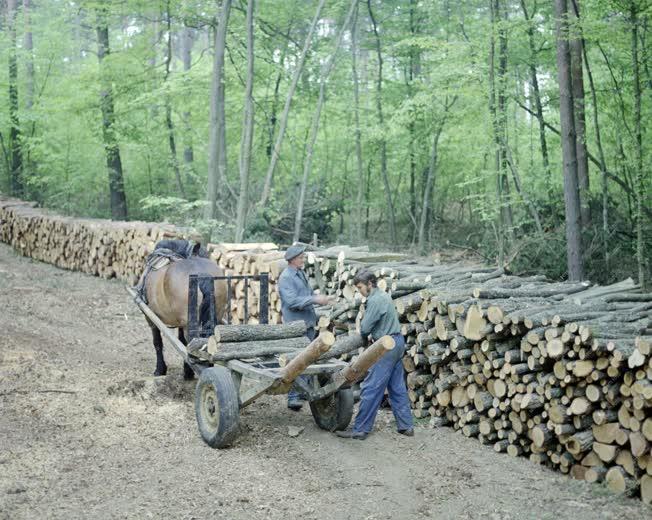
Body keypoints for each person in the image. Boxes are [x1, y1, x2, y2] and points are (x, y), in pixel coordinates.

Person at [336, 269, 414, 440]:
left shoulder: (375, 300)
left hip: (385, 346)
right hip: (397, 342)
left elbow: (364, 329)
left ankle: (360, 430)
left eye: (360, 287)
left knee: (371, 387)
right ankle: (406, 426)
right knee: (397, 387)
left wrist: (364, 332)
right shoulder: (384, 295)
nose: (359, 291)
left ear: (369, 284)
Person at [278, 244, 333, 410]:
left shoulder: (300, 273)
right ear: (293, 259)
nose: (303, 260)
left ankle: (303, 392)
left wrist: (319, 298)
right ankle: (293, 397)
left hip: (307, 323)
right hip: (295, 325)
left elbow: (307, 295)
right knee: (297, 359)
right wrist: (315, 300)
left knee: (308, 358)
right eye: (301, 257)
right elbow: (292, 302)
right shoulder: (286, 277)